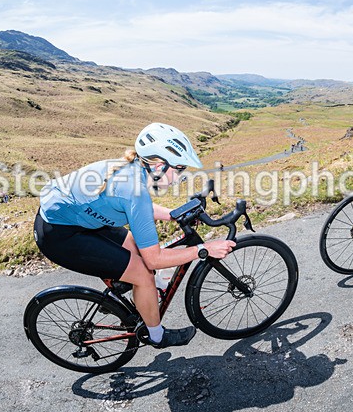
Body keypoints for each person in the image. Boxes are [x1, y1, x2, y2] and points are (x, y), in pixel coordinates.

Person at [34, 123, 236, 349]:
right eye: (179, 169)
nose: (180, 177)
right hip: (59, 235)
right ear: (159, 165)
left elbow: (135, 207)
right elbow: (154, 258)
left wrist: (173, 214)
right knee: (143, 272)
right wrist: (203, 249)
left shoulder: (133, 169)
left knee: (134, 247)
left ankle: (124, 290)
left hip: (76, 218)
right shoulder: (135, 190)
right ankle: (156, 335)